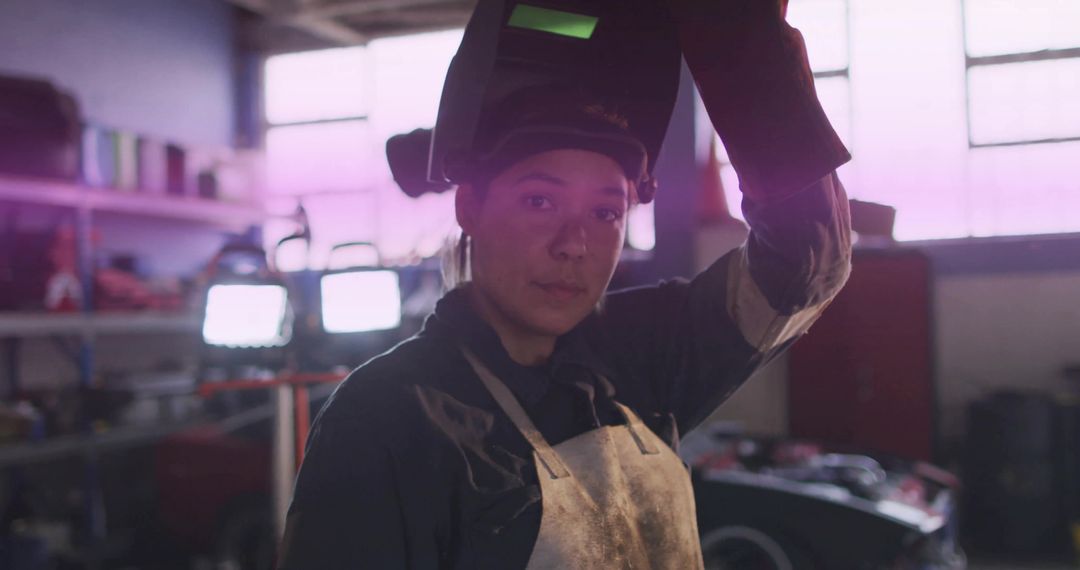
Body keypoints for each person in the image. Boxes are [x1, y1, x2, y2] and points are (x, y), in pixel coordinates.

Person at [278, 0, 852, 567]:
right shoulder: (389, 418)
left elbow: (807, 259)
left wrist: (737, 32)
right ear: (469, 206)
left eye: (606, 212)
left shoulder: (643, 356)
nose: (574, 242)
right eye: (540, 200)